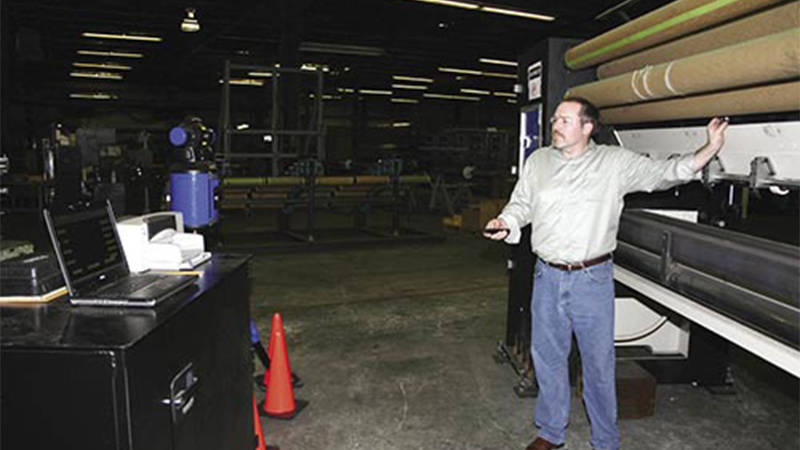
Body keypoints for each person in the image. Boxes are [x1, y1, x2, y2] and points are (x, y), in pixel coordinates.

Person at [484, 97, 728, 450]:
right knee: (548, 358)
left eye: (565, 120)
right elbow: (521, 204)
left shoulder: (613, 163)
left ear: (587, 127)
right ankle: (551, 432)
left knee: (597, 365)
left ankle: (605, 440)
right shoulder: (538, 162)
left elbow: (665, 172)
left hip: (591, 279)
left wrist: (710, 147)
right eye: (555, 119)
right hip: (547, 277)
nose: (556, 125)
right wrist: (505, 223)